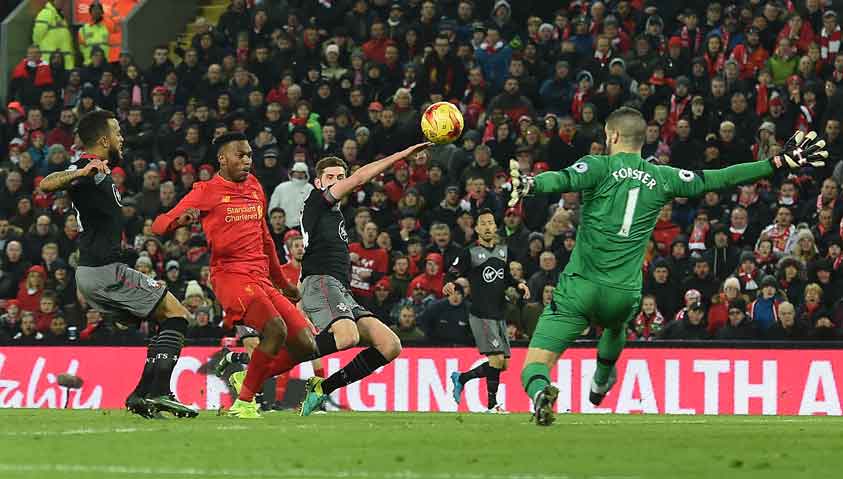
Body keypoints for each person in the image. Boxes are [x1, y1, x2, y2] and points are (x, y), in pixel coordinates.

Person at [510, 107, 827, 426]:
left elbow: (562, 178)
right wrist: (777, 161)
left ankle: (540, 392)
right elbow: (722, 177)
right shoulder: (663, 177)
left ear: (613, 136)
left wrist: (528, 186)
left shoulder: (598, 166)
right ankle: (602, 379)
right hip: (623, 293)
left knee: (535, 364)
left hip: (579, 288)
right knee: (615, 325)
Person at [38, 110, 195, 419]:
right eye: (118, 131)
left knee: (165, 319)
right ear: (103, 139)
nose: (122, 137)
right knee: (179, 314)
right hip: (103, 270)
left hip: (98, 271)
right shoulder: (86, 168)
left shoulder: (101, 172)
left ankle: (141, 395)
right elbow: (46, 183)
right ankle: (160, 390)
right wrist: (80, 174)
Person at [152, 132, 316, 419]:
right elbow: (158, 226)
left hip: (261, 277)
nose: (247, 161)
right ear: (222, 159)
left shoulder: (254, 186)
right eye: (240, 155)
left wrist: (283, 284)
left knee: (305, 345)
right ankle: (245, 402)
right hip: (230, 276)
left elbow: (265, 239)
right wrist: (181, 219)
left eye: (249, 155)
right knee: (275, 329)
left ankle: (245, 374)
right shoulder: (205, 191)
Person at [297, 142, 432, 416]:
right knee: (347, 336)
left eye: (340, 177)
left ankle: (322, 389)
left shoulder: (333, 215)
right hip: (322, 282)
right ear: (317, 182)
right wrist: (401, 154)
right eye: (330, 178)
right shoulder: (315, 200)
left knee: (390, 345)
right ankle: (260, 363)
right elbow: (359, 178)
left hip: (339, 289)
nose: (336, 182)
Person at [445, 208, 530, 413]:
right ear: (476, 229)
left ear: (495, 226)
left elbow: (507, 276)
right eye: (482, 223)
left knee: (504, 364)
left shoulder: (503, 250)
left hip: (498, 313)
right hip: (481, 313)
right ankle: (492, 405)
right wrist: (450, 284)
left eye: (490, 223)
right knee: (497, 360)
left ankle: (462, 378)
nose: (487, 227)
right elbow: (453, 272)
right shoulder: (470, 252)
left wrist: (519, 285)